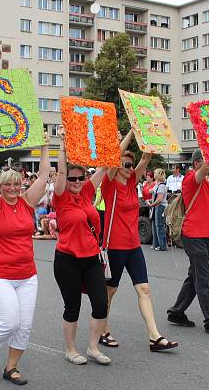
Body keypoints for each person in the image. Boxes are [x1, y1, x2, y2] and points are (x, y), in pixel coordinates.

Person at [0, 133, 50, 385]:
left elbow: (43, 176)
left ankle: (12, 367)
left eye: (16, 184)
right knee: (9, 321)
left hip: (27, 275)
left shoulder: (27, 203)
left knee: (24, 326)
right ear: (0, 186)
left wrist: (45, 145)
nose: (13, 188)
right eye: (7, 184)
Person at [99, 130, 179, 352]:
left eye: (129, 165)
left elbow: (146, 157)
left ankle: (155, 336)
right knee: (109, 292)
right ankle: (102, 330)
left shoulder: (133, 179)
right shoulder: (109, 183)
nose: (129, 168)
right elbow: (115, 156)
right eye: (124, 164)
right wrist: (132, 131)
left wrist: (147, 127)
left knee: (144, 289)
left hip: (133, 246)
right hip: (114, 246)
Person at [52, 125, 112, 365]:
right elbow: (60, 172)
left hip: (91, 259)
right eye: (72, 178)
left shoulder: (87, 191)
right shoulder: (60, 196)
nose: (76, 182)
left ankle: (93, 348)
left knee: (100, 303)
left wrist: (113, 141)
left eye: (80, 178)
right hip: (67, 260)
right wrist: (63, 144)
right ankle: (70, 349)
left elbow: (107, 165)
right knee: (72, 306)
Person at [167, 150, 209, 337]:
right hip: (194, 236)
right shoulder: (190, 179)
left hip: (203, 236)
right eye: (203, 161)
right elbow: (206, 169)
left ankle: (177, 312)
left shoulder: (204, 182)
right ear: (196, 164)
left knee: (193, 277)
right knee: (203, 279)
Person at [148, 168, 168, 251]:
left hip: (160, 206)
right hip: (157, 206)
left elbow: (159, 199)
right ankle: (156, 244)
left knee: (159, 226)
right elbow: (151, 191)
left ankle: (162, 245)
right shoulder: (158, 184)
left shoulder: (161, 186)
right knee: (155, 225)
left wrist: (151, 204)